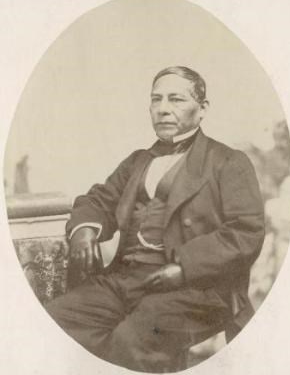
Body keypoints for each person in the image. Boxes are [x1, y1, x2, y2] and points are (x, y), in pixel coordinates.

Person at [45, 66, 265, 372]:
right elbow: (98, 200)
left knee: (132, 342)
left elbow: (246, 232)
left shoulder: (228, 162)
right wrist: (84, 230)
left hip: (198, 289)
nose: (162, 109)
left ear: (202, 109)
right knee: (55, 322)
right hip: (126, 278)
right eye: (156, 100)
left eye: (175, 99)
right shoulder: (138, 161)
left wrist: (185, 267)